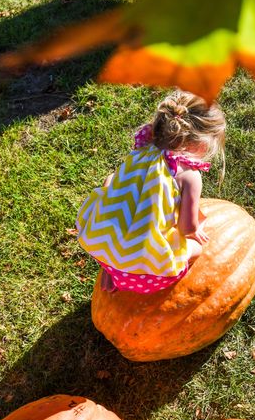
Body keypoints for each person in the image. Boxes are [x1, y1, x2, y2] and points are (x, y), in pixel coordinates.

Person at [76, 90, 226, 293]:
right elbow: (186, 228)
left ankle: (114, 272)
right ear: (200, 143)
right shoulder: (189, 175)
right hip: (149, 273)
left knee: (111, 180)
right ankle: (136, 278)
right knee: (197, 249)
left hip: (101, 247)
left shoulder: (142, 150)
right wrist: (195, 230)